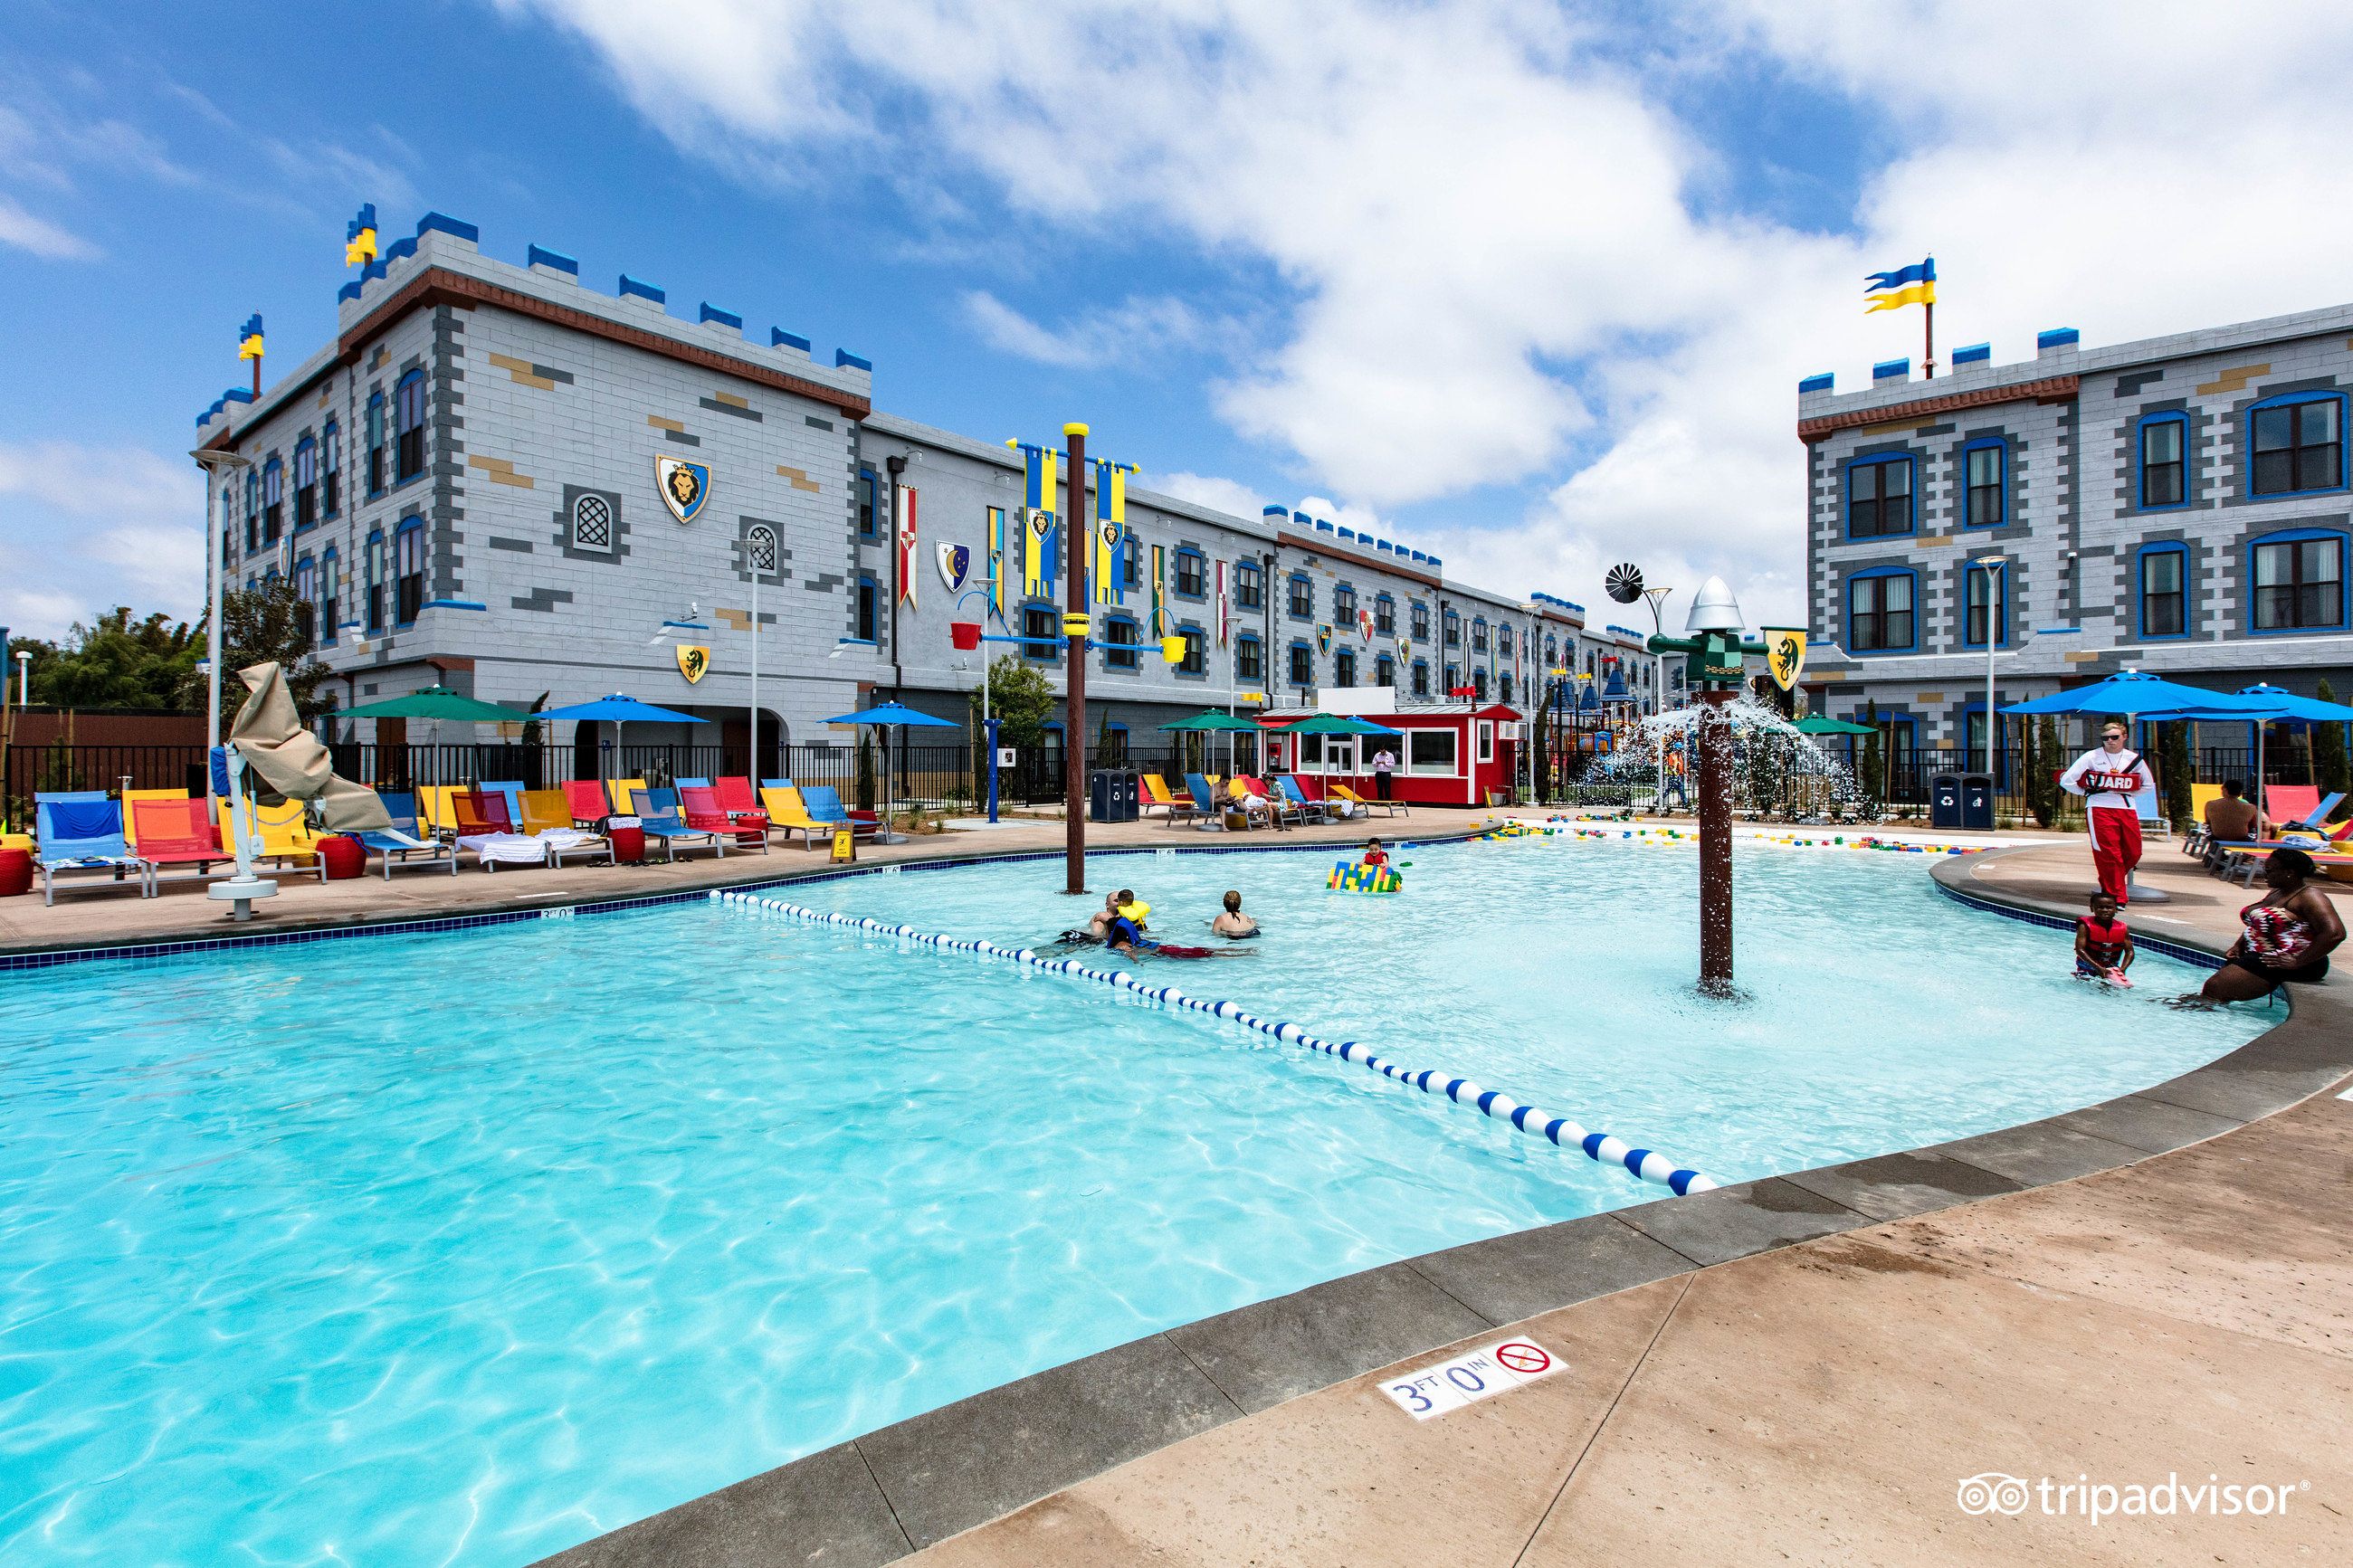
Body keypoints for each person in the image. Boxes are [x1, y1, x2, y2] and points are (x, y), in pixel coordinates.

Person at [2184, 848, 2345, 1003]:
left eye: (2269, 871)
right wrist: (2239, 944)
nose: (2263, 874)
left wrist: (2298, 961)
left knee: (2216, 988)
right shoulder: (2279, 891)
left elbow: (2335, 933)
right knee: (2212, 993)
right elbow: (2260, 923)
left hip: (2294, 961)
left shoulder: (2310, 896)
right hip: (2265, 956)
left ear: (2290, 873)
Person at [2061, 721, 2157, 905]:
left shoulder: (2134, 759)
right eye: (2106, 738)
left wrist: (2126, 792)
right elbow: (2067, 780)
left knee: (2133, 852)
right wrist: (2085, 792)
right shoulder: (2092, 757)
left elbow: (2147, 784)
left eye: (2115, 737)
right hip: (2099, 808)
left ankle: (2110, 882)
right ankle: (2117, 897)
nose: (2110, 741)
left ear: (2124, 736)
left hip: (2126, 809)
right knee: (2109, 853)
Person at [2073, 891, 2135, 984]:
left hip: (2111, 967)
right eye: (2100, 907)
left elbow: (2130, 952)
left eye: (2109, 907)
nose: (2105, 910)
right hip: (2088, 966)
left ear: (2116, 909)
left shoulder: (2122, 928)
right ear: (2092, 909)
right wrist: (2097, 967)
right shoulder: (2085, 926)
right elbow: (2079, 950)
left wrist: (2123, 969)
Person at [2203, 779, 2264, 847]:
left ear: (2225, 790)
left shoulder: (2210, 804)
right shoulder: (2251, 807)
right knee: (2252, 830)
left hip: (2216, 837)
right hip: (2242, 839)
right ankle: (2245, 855)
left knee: (2209, 827)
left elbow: (2208, 822)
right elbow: (2254, 825)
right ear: (2240, 792)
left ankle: (2213, 852)